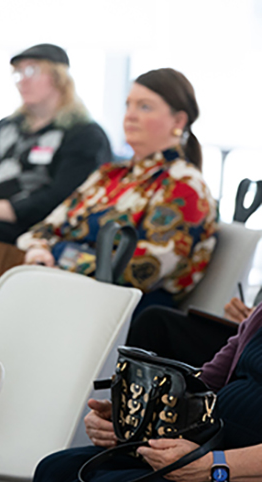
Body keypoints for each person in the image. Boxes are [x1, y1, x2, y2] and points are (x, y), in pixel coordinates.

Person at [0, 44, 111, 351]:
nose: (22, 80)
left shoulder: (84, 135)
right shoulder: (9, 126)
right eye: (18, 72)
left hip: (31, 232)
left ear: (59, 78)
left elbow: (61, 199)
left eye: (32, 70)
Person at [16, 68, 216, 305]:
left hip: (113, 309)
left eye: (144, 107)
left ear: (179, 121)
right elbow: (41, 230)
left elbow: (142, 269)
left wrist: (57, 255)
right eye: (128, 105)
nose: (130, 115)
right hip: (57, 289)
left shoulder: (184, 185)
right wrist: (38, 251)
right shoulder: (108, 174)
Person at [33, 300, 262, 482]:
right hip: (205, 446)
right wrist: (133, 417)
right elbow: (203, 385)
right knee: (57, 467)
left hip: (236, 466)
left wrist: (215, 465)